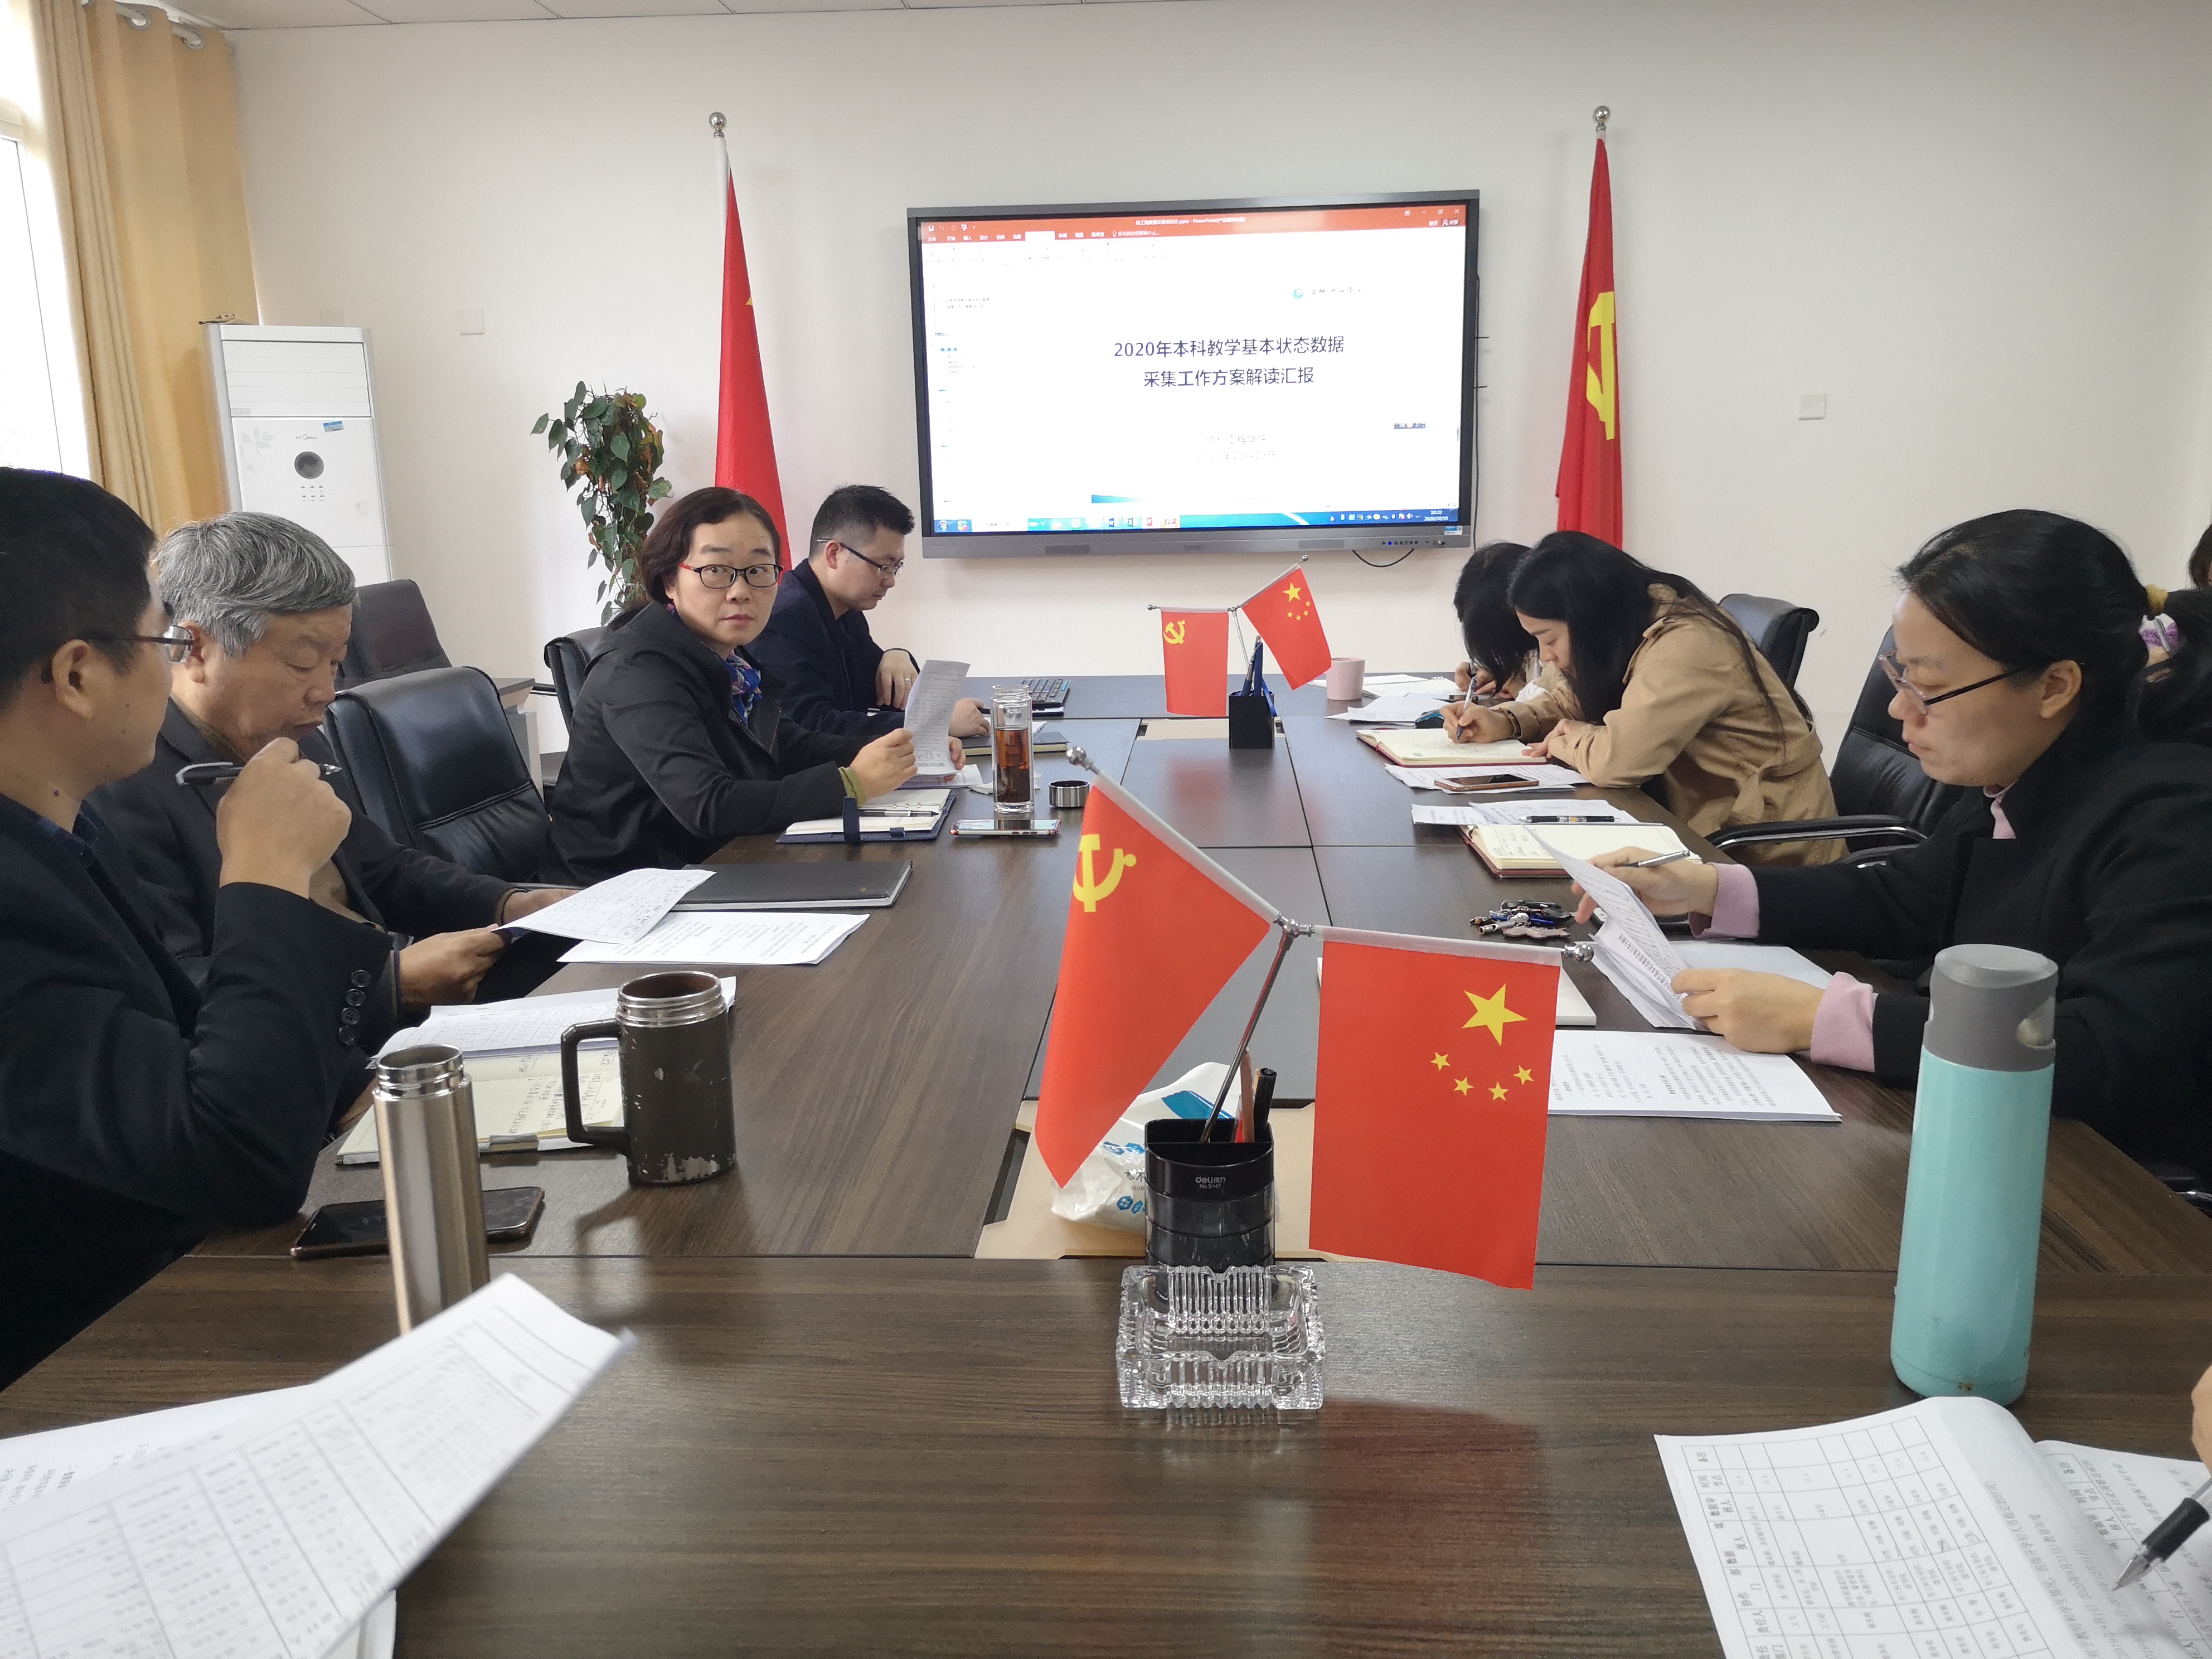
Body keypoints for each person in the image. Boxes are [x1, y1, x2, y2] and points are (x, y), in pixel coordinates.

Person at [1583, 511, 2212, 1175]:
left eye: (1928, 688)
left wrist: (1824, 1020)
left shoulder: (2175, 815)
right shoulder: (2030, 768)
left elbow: (2107, 1051)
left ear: (2054, 686)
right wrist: (1707, 887)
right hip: (1987, 1125)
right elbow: (1907, 898)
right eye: (1900, 674)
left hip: (2100, 1181)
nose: (1897, 707)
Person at [0, 469, 390, 1385]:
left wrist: (343, 1082)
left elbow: (181, 1037)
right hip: (90, 1365)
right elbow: (238, 1158)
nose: (177, 663)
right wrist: (264, 877)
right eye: (164, 639)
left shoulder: (60, 834)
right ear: (78, 674)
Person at [89, 512, 573, 1103]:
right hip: (302, 1072)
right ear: (195, 648)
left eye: (336, 662)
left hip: (393, 1028)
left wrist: (509, 902)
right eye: (301, 663)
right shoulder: (126, 784)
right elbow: (181, 984)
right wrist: (388, 987)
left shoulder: (293, 736)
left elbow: (382, 868)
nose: (325, 691)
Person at [547, 487, 921, 882]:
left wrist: (903, 752)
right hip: (620, 891)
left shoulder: (730, 659)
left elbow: (788, 744)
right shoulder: (637, 670)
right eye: (716, 570)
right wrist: (851, 783)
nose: (741, 591)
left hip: (713, 865)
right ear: (670, 580)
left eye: (758, 570)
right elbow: (709, 805)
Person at [1441, 531, 1839, 864]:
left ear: (1589, 619)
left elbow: (1617, 761)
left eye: (1549, 639)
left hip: (1770, 852)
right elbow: (1575, 700)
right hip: (1705, 825)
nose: (1546, 657)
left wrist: (1567, 738)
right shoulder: (1632, 624)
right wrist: (1507, 720)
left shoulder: (1687, 645)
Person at [749, 484, 987, 741]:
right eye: (883, 566)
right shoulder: (784, 621)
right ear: (834, 554)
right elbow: (812, 727)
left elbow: (884, 691)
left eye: (896, 567)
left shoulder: (845, 611)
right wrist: (934, 723)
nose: (891, 580)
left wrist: (896, 655)